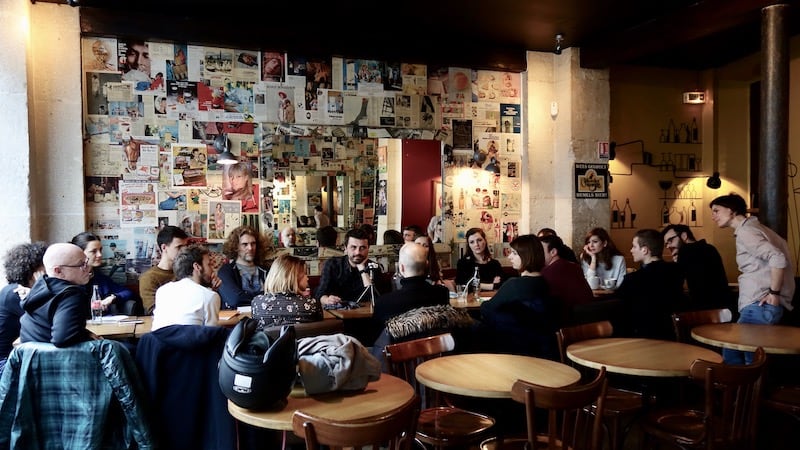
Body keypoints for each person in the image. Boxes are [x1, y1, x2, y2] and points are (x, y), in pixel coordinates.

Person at [709, 193, 795, 365]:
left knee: (749, 362)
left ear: (732, 210)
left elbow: (777, 257)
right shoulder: (758, 229)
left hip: (759, 305)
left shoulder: (746, 232)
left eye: (716, 211)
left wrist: (774, 293)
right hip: (760, 305)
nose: (713, 216)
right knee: (734, 354)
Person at [479, 234, 561, 359]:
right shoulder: (545, 283)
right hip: (542, 351)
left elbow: (486, 309)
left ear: (527, 256)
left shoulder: (514, 285)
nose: (509, 256)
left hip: (511, 348)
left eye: (514, 253)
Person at [615, 229, 688, 340]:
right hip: (672, 333)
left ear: (644, 250)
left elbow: (619, 305)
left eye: (634, 246)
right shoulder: (676, 271)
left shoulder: (633, 279)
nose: (631, 250)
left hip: (642, 336)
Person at [19, 243, 95, 347]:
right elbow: (62, 339)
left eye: (86, 262)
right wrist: (87, 337)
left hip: (29, 355)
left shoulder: (41, 286)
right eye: (81, 265)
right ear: (58, 271)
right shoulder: (70, 294)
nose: (88, 268)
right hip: (55, 356)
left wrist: (84, 333)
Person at [373, 243, 450, 326]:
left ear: (401, 267)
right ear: (427, 266)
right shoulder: (442, 293)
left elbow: (376, 332)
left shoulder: (384, 302)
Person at [661, 224, 733, 311]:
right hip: (724, 307)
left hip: (704, 310)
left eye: (670, 240)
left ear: (684, 236)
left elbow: (675, 282)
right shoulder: (710, 248)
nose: (668, 246)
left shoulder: (685, 251)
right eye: (666, 244)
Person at [0, 241, 47, 373]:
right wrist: (42, 286)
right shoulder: (14, 292)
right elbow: (46, 321)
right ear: (35, 270)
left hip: (15, 356)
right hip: (5, 362)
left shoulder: (21, 291)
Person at [70, 232, 142, 316]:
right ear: (79, 253)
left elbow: (127, 292)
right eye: (94, 251)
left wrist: (112, 297)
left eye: (100, 250)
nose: (100, 255)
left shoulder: (100, 278)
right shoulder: (70, 280)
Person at [151, 244, 220, 331]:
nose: (212, 269)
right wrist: (211, 292)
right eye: (209, 265)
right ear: (197, 267)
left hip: (158, 339)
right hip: (191, 340)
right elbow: (211, 333)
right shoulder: (210, 296)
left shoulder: (162, 291)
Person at [251, 253, 322, 330]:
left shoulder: (257, 303)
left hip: (269, 338)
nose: (307, 278)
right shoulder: (312, 304)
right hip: (303, 338)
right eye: (305, 274)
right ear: (294, 278)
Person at [316, 228, 382, 308]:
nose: (357, 252)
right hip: (339, 311)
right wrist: (327, 300)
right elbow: (320, 293)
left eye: (362, 248)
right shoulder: (333, 265)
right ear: (346, 248)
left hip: (365, 312)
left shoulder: (374, 267)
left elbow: (375, 297)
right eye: (353, 247)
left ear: (368, 248)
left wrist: (362, 269)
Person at [539, 234, 593, 323]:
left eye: (539, 250)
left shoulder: (546, 272)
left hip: (566, 323)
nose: (536, 254)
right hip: (590, 319)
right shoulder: (575, 267)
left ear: (553, 252)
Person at [139, 225, 189, 314]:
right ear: (164, 248)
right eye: (179, 247)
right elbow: (153, 309)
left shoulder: (189, 272)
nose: (184, 251)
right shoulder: (149, 278)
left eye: (185, 247)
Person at [216, 226, 269, 310]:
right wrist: (265, 299)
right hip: (237, 318)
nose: (250, 248)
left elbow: (276, 297)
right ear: (236, 247)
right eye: (245, 244)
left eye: (253, 243)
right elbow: (235, 299)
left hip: (264, 316)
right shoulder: (226, 271)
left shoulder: (267, 270)